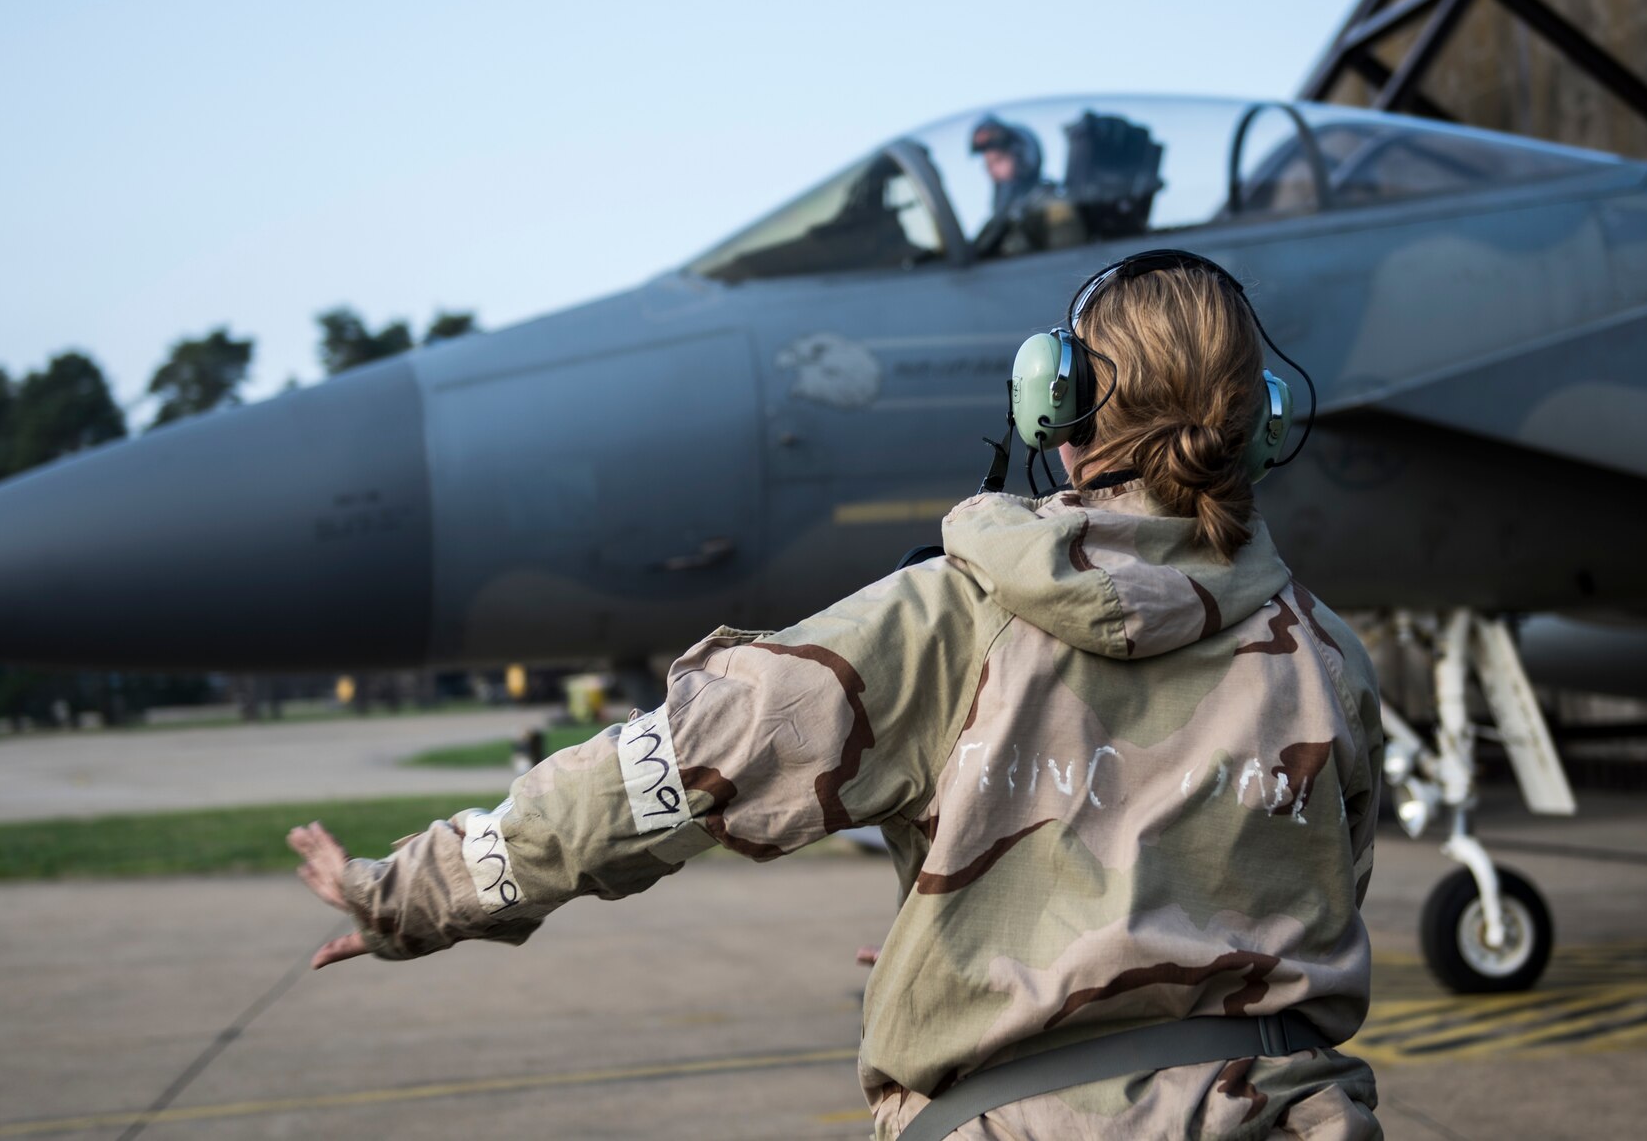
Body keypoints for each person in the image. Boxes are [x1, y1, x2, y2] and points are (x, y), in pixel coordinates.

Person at [288, 252, 1385, 1139]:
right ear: (1261, 414)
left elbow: (659, 777)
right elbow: (1302, 894)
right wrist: (974, 925)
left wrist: (406, 893)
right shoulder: (1326, 659)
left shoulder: (947, 622)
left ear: (1057, 400)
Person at [967, 115, 1078, 258]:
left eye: (998, 161)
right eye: (988, 165)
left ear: (1023, 157)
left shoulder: (1053, 206)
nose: (992, 171)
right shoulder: (1001, 221)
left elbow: (1068, 262)